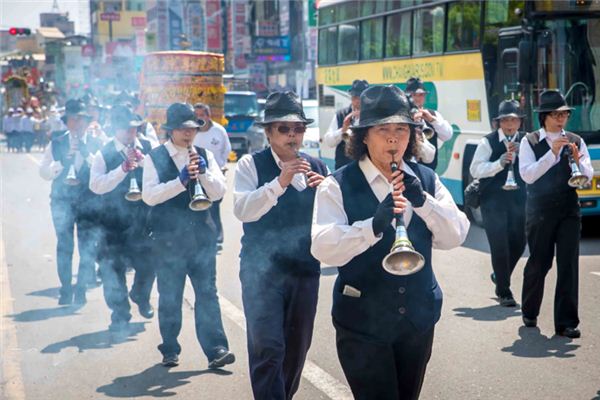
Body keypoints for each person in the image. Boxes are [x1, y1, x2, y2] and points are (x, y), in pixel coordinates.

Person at [311, 85, 469, 400]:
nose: (394, 139)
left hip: (418, 318)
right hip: (362, 323)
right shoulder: (336, 185)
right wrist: (373, 225)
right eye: (383, 130)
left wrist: (423, 202)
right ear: (364, 136)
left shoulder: (426, 180)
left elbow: (456, 235)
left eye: (402, 129)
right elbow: (322, 247)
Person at [234, 91, 328, 399]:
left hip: (304, 270)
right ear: (269, 132)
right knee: (268, 347)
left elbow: (330, 221)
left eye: (298, 128)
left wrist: (326, 194)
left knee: (296, 349)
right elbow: (243, 210)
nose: (292, 135)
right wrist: (279, 183)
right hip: (261, 272)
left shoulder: (317, 166)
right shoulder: (250, 164)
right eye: (284, 128)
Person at [142, 102, 234, 368]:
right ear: (171, 130)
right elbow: (149, 196)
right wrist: (180, 182)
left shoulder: (203, 153)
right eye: (182, 129)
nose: (188, 134)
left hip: (201, 237)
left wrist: (203, 173)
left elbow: (218, 192)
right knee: (170, 294)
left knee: (207, 293)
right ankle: (169, 347)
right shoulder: (155, 157)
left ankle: (216, 349)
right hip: (168, 239)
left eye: (192, 129)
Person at [518, 90, 593, 338]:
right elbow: (528, 175)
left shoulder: (576, 140)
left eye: (564, 114)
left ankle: (566, 322)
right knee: (540, 262)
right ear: (545, 117)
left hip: (569, 208)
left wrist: (577, 160)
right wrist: (552, 155)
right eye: (556, 114)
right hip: (539, 209)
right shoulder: (529, 141)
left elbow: (588, 174)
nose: (561, 119)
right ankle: (529, 310)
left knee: (569, 263)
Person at [89, 105, 157, 334]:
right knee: (112, 270)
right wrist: (122, 169)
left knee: (149, 263)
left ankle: (141, 294)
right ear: (116, 129)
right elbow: (96, 186)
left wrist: (144, 161)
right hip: (113, 222)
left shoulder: (148, 147)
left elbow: (160, 174)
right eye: (126, 129)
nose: (131, 133)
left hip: (143, 219)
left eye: (134, 128)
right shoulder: (104, 153)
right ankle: (120, 314)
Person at [39, 99, 104, 305]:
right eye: (74, 120)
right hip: (62, 200)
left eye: (82, 120)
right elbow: (44, 172)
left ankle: (81, 289)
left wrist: (85, 153)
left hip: (88, 202)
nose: (78, 124)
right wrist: (62, 162)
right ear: (67, 122)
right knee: (64, 246)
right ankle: (66, 289)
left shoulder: (96, 142)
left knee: (87, 247)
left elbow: (101, 171)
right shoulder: (56, 142)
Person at [470, 100, 526, 307]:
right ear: (499, 123)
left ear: (520, 122)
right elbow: (475, 170)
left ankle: (499, 276)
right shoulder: (488, 142)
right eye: (505, 120)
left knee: (519, 243)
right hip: (493, 200)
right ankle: (504, 290)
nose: (510, 124)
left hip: (520, 199)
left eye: (513, 119)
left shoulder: (527, 141)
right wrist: (498, 164)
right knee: (499, 245)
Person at [193, 102, 232, 248]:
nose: (199, 118)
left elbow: (226, 150)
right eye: (196, 115)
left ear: (208, 116)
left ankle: (217, 236)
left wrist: (220, 166)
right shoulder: (192, 131)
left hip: (214, 174)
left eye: (201, 115)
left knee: (214, 206)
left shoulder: (218, 131)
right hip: (196, 175)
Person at [405, 77, 453, 170]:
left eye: (421, 95)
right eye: (414, 95)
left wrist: (432, 120)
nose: (418, 98)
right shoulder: (402, 116)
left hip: (429, 170)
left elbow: (447, 136)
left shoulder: (433, 114)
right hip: (408, 171)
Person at [324, 79, 369, 170]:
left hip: (367, 168)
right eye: (355, 97)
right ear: (351, 98)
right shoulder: (341, 114)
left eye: (361, 98)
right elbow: (329, 142)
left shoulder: (373, 116)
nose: (358, 101)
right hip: (345, 169)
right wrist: (343, 129)